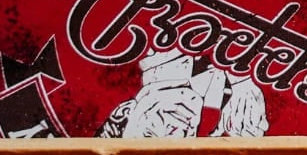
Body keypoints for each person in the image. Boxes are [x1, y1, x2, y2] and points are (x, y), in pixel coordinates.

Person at [97, 51, 268, 138]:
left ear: (125, 111)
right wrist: (242, 78)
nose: (172, 131)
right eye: (175, 145)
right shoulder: (240, 112)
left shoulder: (142, 49)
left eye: (149, 136)